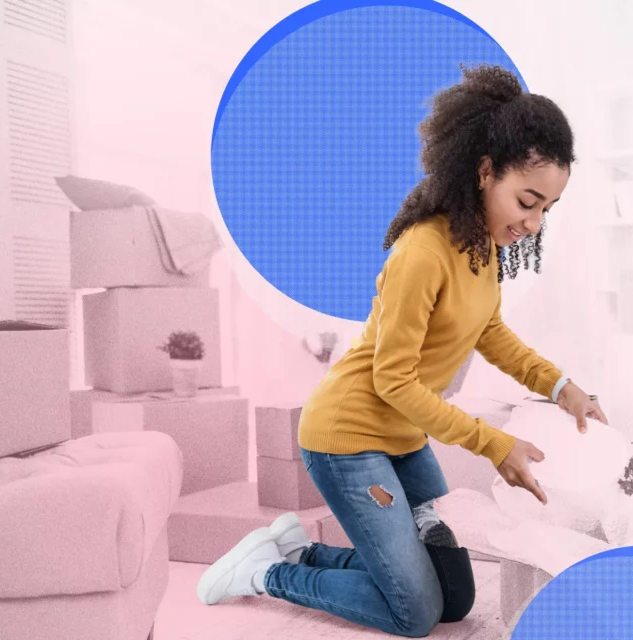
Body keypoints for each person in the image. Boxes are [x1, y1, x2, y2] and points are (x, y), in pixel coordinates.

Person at [196, 63, 607, 637]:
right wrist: (494, 445)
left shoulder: (482, 250)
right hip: (348, 440)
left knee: (455, 598)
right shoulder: (422, 252)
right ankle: (266, 573)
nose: (534, 223)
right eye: (528, 201)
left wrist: (562, 387)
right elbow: (393, 382)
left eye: (546, 209)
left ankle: (298, 552)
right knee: (414, 612)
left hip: (404, 442)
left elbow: (490, 333)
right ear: (485, 171)